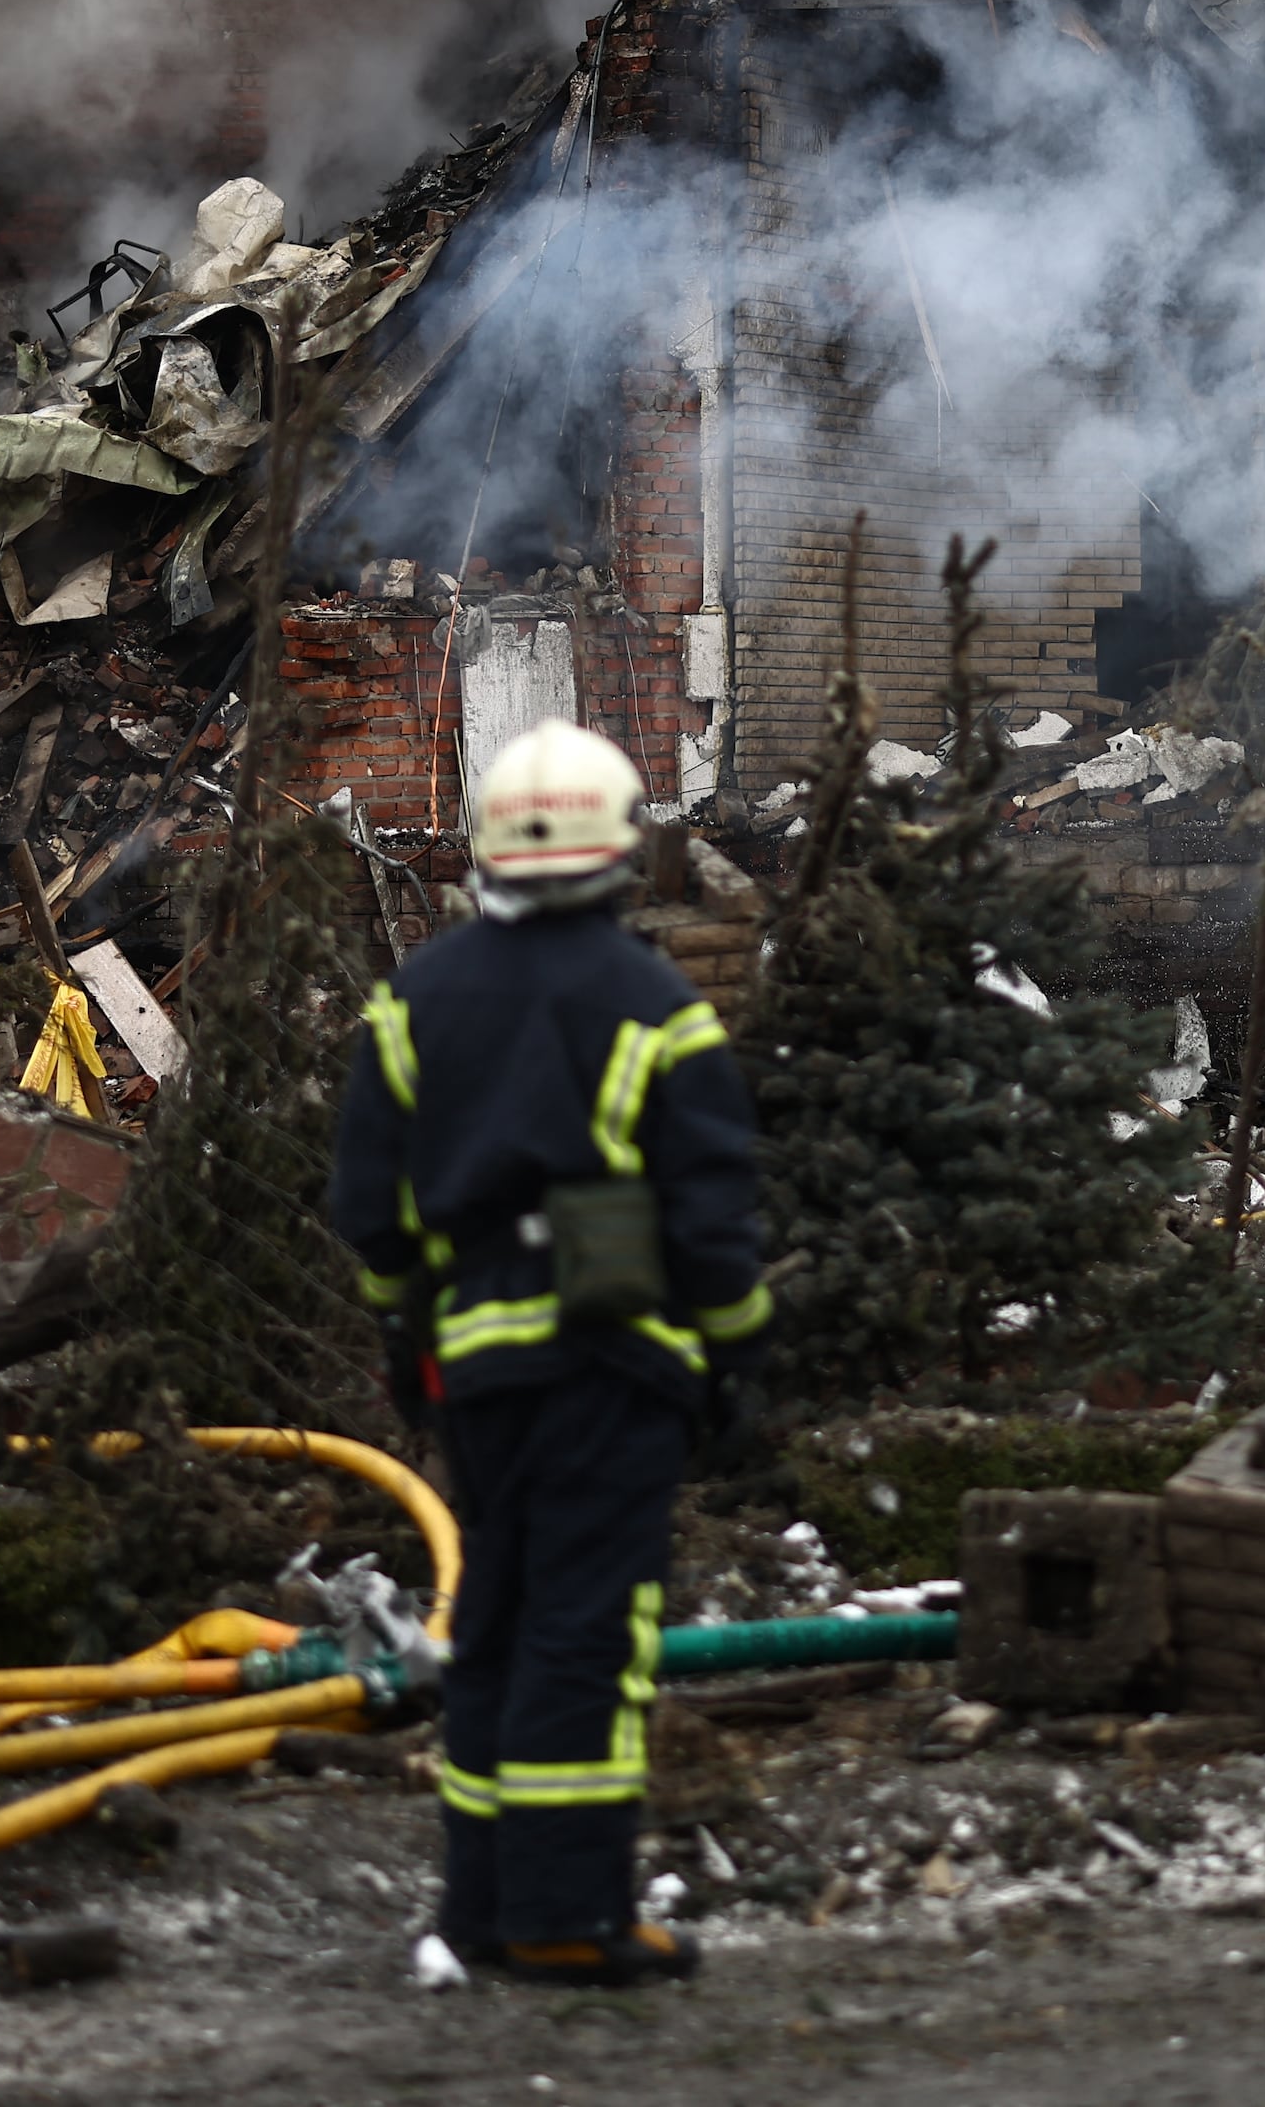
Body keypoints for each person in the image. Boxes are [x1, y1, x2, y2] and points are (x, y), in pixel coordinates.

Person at [326, 719, 772, 1986]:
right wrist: (733, 1361)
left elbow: (372, 1205)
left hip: (473, 1369)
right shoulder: (653, 1008)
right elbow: (708, 1216)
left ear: (488, 853)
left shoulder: (415, 996)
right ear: (620, 853)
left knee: (503, 1622)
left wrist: (404, 1326)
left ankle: (475, 1904)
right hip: (609, 1366)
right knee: (589, 1629)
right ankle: (568, 1913)